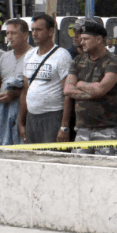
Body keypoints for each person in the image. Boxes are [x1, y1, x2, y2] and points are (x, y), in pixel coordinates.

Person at [64, 17, 117, 155]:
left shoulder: (114, 61)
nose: (81, 42)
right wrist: (93, 92)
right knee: (79, 171)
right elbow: (67, 89)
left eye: (86, 39)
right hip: (82, 128)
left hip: (107, 129)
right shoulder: (78, 60)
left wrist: (80, 84)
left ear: (98, 39)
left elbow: (101, 89)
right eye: (81, 38)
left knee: (107, 171)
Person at [18, 13, 74, 145]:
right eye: (33, 30)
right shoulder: (30, 55)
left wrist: (64, 126)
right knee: (33, 159)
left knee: (52, 158)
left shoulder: (62, 55)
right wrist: (21, 122)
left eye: (39, 30)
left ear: (50, 32)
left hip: (53, 116)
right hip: (32, 117)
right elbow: (25, 90)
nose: (34, 34)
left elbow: (68, 94)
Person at [0, 19, 31, 147]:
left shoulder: (34, 55)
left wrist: (15, 94)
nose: (9, 37)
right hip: (4, 113)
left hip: (26, 116)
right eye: (7, 33)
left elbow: (37, 88)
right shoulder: (5, 57)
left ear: (25, 35)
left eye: (13, 33)